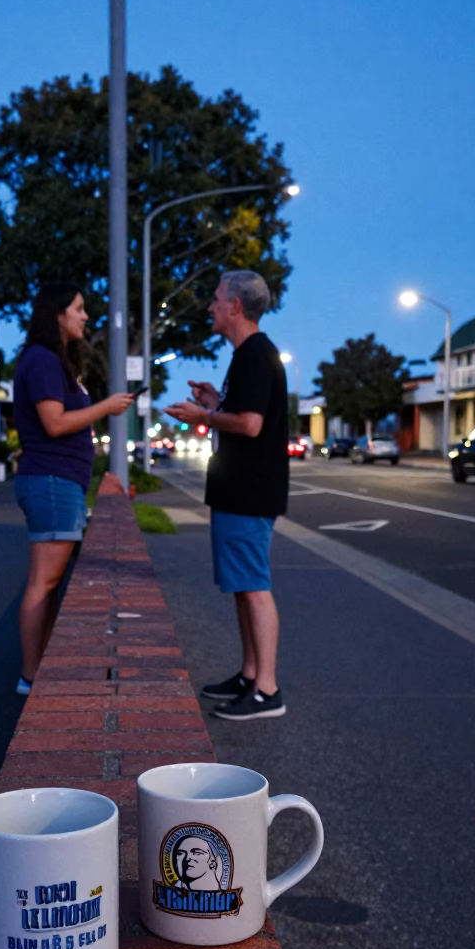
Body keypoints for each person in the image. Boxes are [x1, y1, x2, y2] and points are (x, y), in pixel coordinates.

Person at [166, 269, 288, 720]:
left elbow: (251, 425)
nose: (210, 306)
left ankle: (268, 690)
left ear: (236, 306)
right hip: (240, 489)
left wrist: (203, 414)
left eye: (216, 299)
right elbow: (245, 414)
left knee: (254, 586)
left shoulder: (255, 353)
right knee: (242, 586)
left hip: (249, 491)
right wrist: (217, 402)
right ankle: (250, 674)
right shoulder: (248, 356)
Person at [13, 282, 134, 695]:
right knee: (43, 582)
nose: (85, 316)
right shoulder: (43, 359)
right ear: (57, 313)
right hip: (50, 480)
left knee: (47, 582)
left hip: (58, 481)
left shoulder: (54, 361)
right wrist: (106, 406)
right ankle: (30, 677)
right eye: (79, 308)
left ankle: (37, 670)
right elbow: (55, 423)